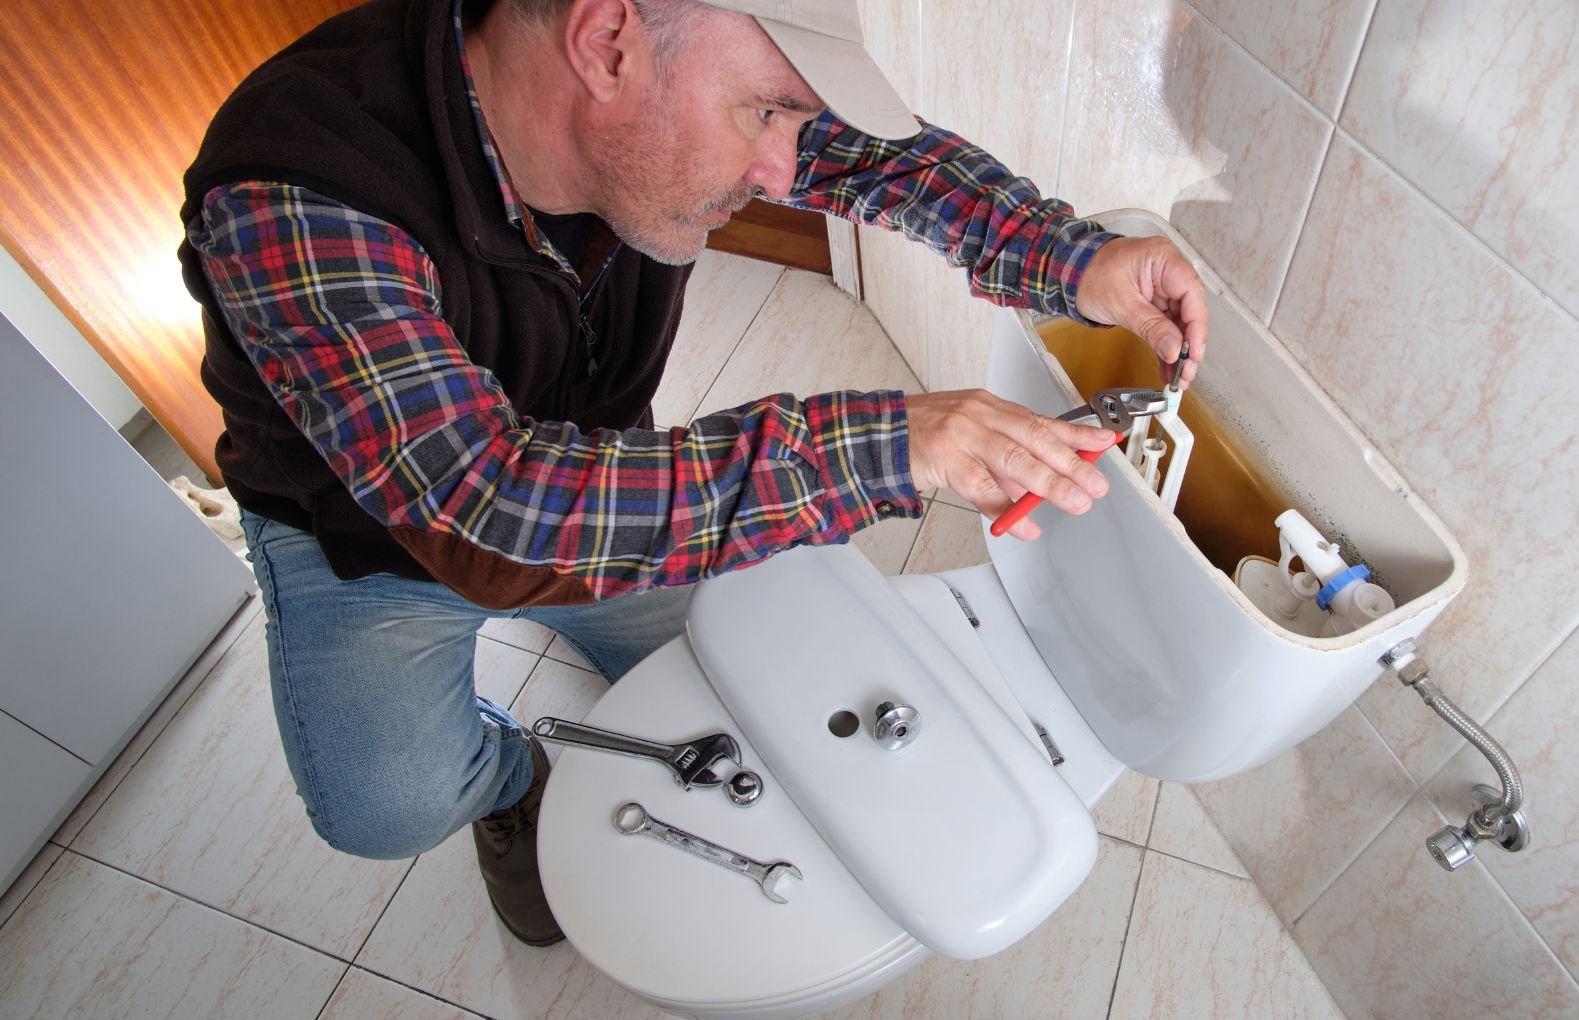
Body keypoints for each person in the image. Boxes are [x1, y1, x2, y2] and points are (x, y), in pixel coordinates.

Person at [179, 0, 1209, 947]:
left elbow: (886, 162)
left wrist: (1072, 259)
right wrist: (890, 443)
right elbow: (488, 514)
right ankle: (505, 785)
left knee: (738, 675)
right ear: (606, 44)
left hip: (598, 466)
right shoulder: (296, 194)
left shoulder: (683, 76)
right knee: (386, 807)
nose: (781, 172)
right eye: (764, 113)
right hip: (360, 541)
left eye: (792, 121)